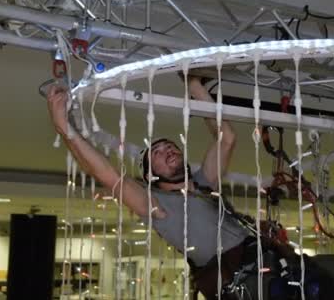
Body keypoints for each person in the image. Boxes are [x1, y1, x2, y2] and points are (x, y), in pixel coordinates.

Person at [47, 75, 295, 299]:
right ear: (150, 176)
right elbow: (109, 176)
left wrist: (194, 85)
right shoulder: (157, 205)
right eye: (157, 152)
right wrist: (65, 128)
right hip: (244, 284)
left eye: (170, 146)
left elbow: (226, 137)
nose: (168, 149)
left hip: (266, 263)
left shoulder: (204, 183)